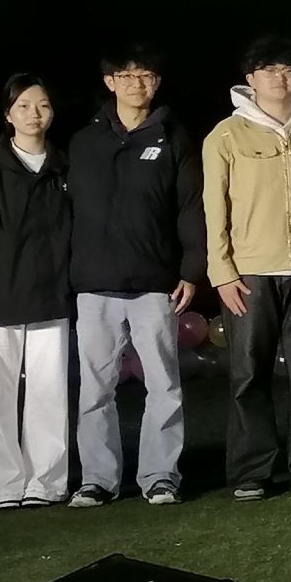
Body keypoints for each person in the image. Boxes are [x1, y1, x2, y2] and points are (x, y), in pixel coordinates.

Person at [204, 37, 291, 500]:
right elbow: (214, 209)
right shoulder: (226, 135)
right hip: (250, 273)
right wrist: (222, 272)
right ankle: (251, 471)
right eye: (269, 70)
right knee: (249, 374)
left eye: (288, 70)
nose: (279, 78)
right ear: (250, 79)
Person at [66, 46, 205, 508]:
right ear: (109, 82)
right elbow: (68, 214)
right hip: (94, 285)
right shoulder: (84, 141)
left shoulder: (175, 139)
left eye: (145, 75)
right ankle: (97, 479)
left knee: (163, 384)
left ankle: (161, 475)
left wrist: (191, 270)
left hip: (155, 283)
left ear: (157, 82)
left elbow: (190, 208)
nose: (136, 84)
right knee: (95, 389)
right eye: (126, 76)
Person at [0, 74, 74, 509]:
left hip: (53, 295)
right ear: (8, 115)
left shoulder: (65, 167)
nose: (33, 114)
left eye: (42, 105)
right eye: (23, 106)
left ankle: (46, 483)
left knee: (49, 393)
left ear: (52, 112)